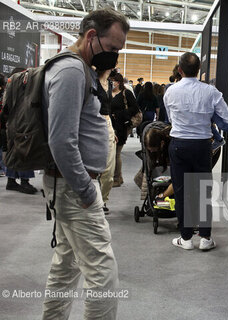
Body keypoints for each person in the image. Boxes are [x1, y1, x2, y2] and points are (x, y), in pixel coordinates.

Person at [41, 8, 129, 319]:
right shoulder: (71, 72)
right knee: (102, 274)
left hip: (70, 185)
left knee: (65, 267)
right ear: (91, 36)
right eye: (113, 48)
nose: (115, 56)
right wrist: (87, 192)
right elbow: (61, 140)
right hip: (74, 187)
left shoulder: (82, 69)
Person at [164, 52, 228, 251]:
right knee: (203, 190)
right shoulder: (211, 92)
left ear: (179, 70)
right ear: (199, 70)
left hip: (178, 144)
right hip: (202, 145)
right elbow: (227, 118)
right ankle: (205, 237)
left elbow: (169, 119)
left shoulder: (170, 91)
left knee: (181, 190)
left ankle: (185, 238)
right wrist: (210, 120)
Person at [0, 67, 38, 193]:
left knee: (15, 151)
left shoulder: (11, 89)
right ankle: (24, 180)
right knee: (24, 151)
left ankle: (12, 180)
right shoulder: (18, 90)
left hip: (13, 125)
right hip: (20, 125)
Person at [110, 72, 140, 187]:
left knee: (116, 153)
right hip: (110, 126)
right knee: (111, 153)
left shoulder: (126, 93)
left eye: (113, 81)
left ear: (118, 82)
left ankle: (117, 178)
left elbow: (135, 108)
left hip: (121, 126)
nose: (111, 83)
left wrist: (119, 114)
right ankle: (117, 177)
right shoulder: (108, 93)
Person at [97, 69, 116, 214]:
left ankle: (103, 200)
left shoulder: (109, 83)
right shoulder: (92, 79)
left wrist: (112, 129)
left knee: (109, 172)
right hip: (92, 124)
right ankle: (95, 201)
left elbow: (108, 109)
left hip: (107, 123)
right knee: (93, 169)